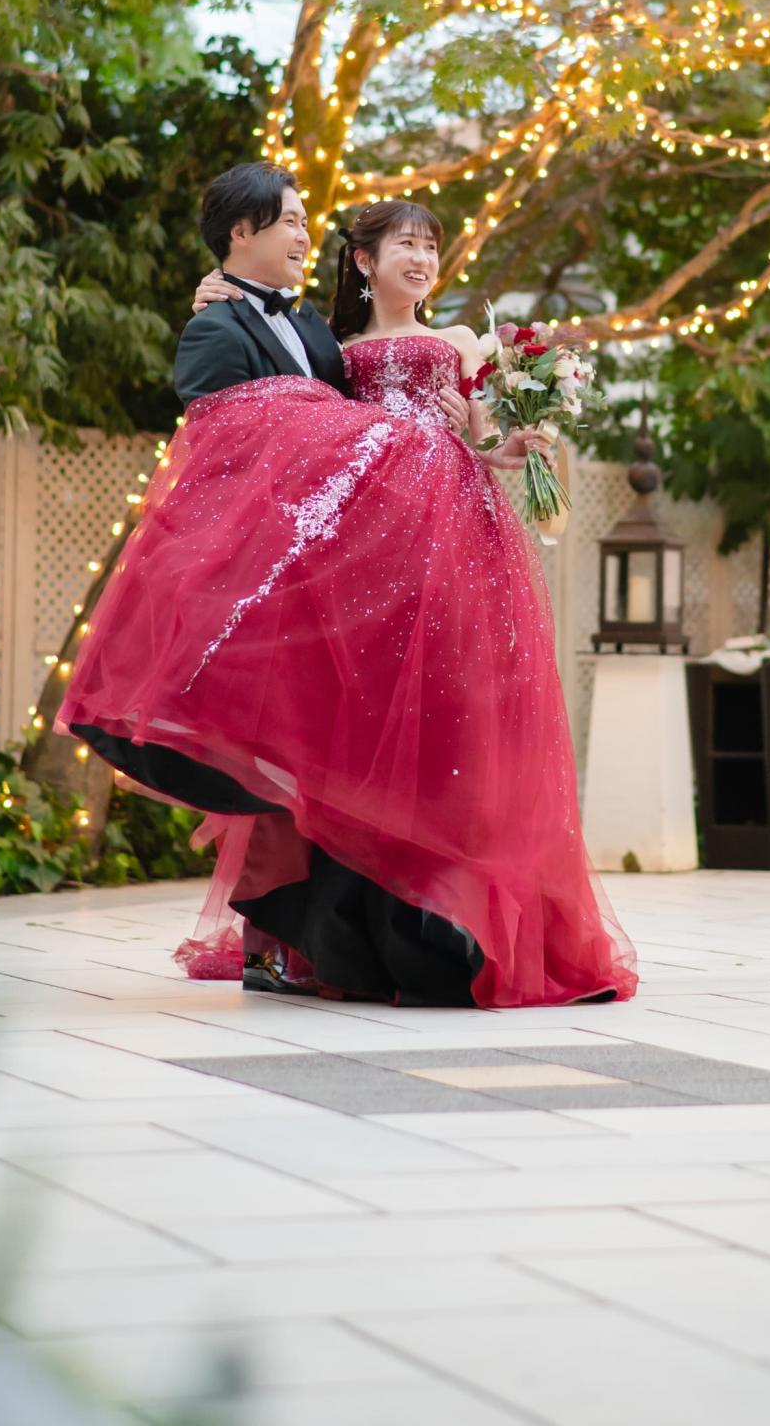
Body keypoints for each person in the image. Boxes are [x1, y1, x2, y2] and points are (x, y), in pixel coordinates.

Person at [57, 174, 634, 1009]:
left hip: (454, 537)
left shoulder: (420, 338)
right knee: (349, 729)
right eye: (406, 243)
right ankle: (331, 936)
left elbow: (479, 437)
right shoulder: (326, 343)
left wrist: (506, 445)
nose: (422, 257)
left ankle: (459, 930)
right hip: (363, 560)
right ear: (363, 260)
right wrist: (220, 293)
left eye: (432, 245)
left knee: (454, 720)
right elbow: (283, 431)